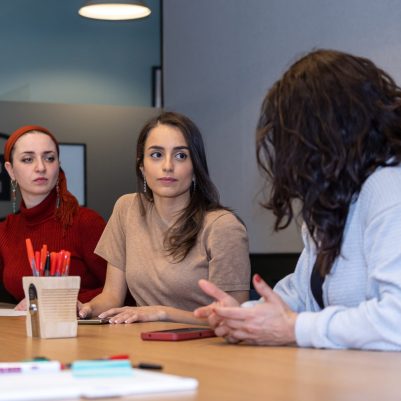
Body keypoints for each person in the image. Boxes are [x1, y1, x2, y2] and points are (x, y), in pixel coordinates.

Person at [195, 49, 401, 351]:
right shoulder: (333, 203)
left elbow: (395, 319)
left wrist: (294, 328)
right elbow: (302, 297)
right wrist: (243, 316)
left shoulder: (389, 187)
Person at [78, 111, 250, 324]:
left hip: (206, 348)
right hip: (143, 341)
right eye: (157, 155)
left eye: (180, 156)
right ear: (142, 165)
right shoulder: (126, 208)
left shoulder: (223, 226)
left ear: (195, 167)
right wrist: (85, 309)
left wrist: (162, 312)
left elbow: (235, 318)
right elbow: (111, 296)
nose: (168, 166)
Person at [0, 125, 107, 309]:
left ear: (58, 164)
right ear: (10, 170)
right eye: (28, 159)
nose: (41, 167)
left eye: (49, 158)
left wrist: (62, 300)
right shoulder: (6, 230)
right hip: (23, 333)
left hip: (82, 332)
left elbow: (122, 291)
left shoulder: (86, 222)